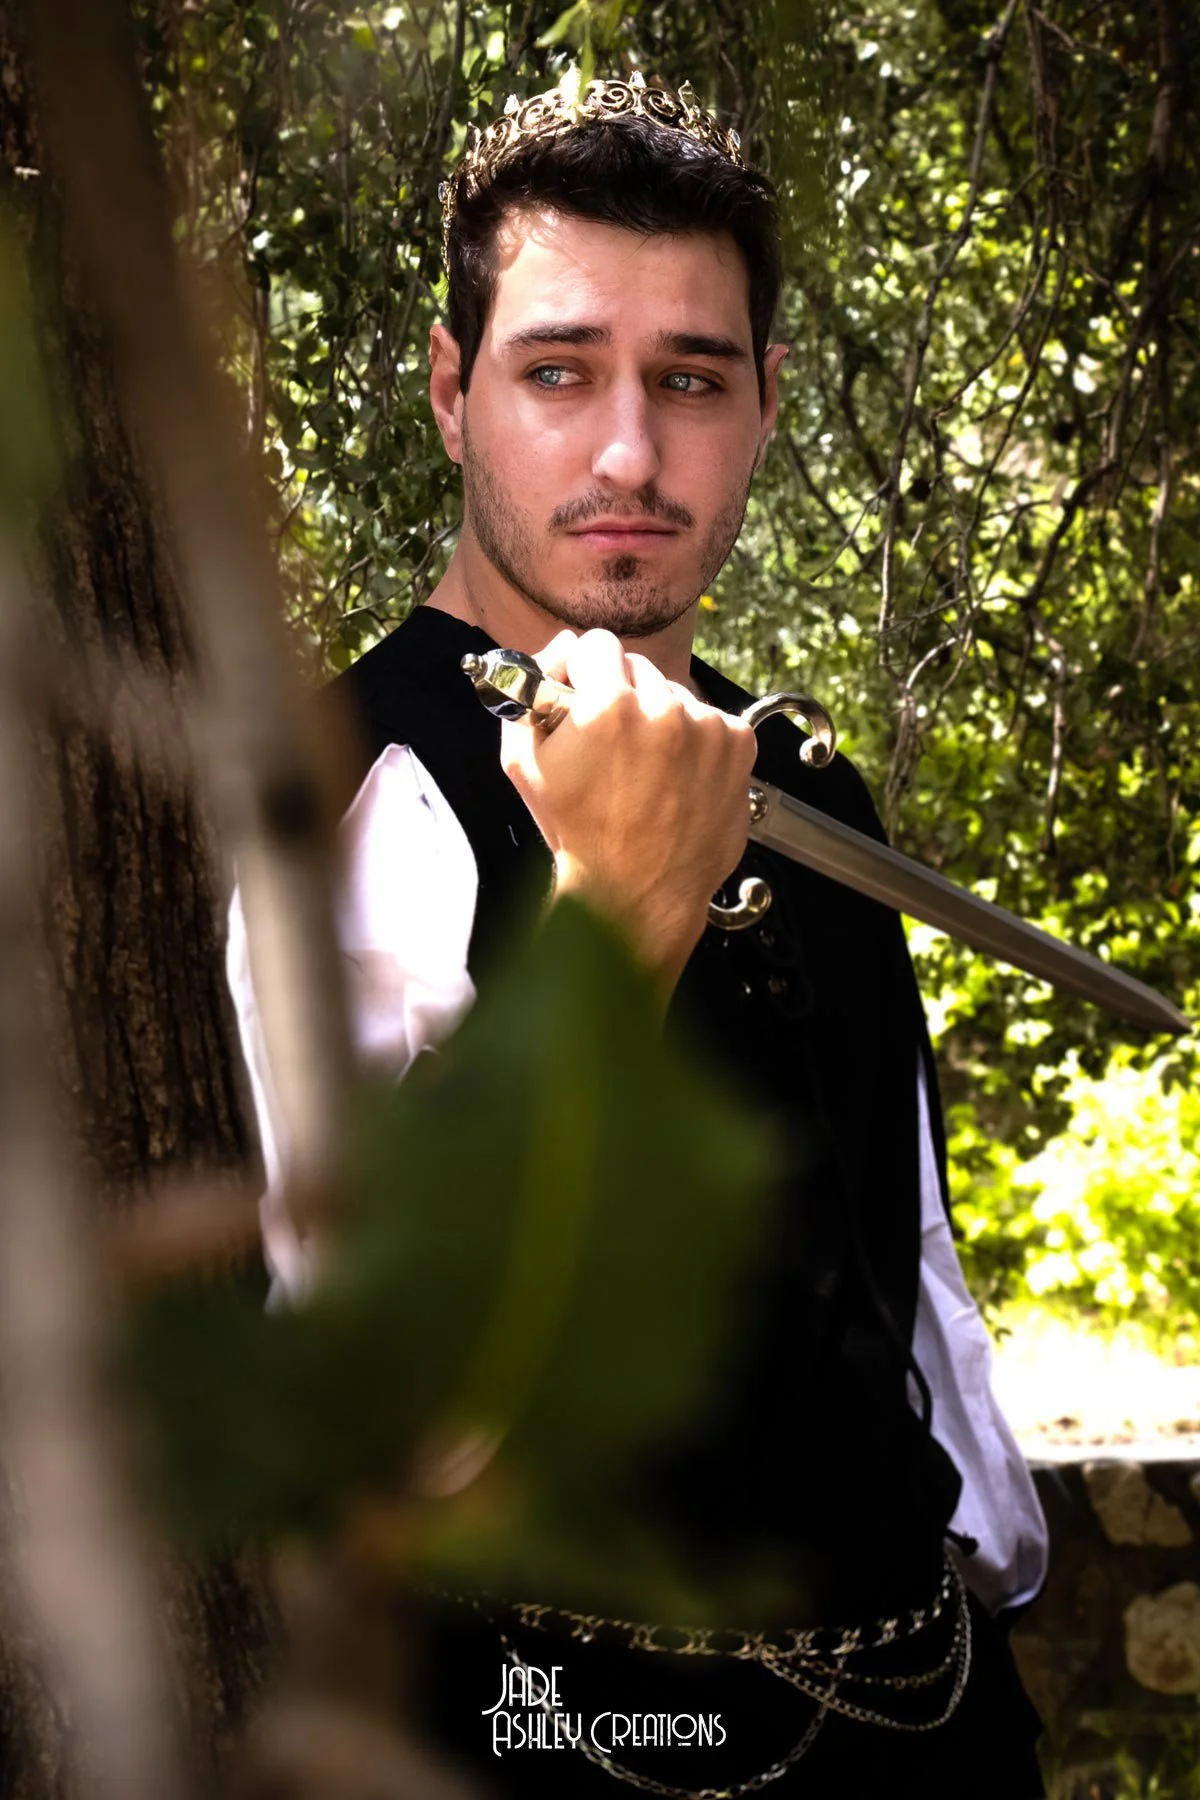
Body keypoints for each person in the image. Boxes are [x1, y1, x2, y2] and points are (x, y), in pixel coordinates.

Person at [227, 73, 1049, 1797]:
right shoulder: (356, 794)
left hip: (927, 1719)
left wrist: (985, 1591)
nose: (628, 454)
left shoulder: (808, 782)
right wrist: (620, 920)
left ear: (764, 406)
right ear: (451, 393)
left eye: (691, 378)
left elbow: (900, 1261)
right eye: (558, 371)